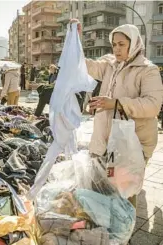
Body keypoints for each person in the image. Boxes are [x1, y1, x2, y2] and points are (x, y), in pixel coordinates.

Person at [71, 19, 163, 207]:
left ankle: (126, 232)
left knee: (125, 190)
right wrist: (75, 37)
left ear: (134, 43)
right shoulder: (110, 64)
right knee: (106, 187)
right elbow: (84, 65)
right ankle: (109, 229)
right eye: (114, 44)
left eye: (122, 44)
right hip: (108, 139)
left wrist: (115, 103)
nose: (116, 49)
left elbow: (153, 105)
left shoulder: (148, 70)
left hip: (134, 141)